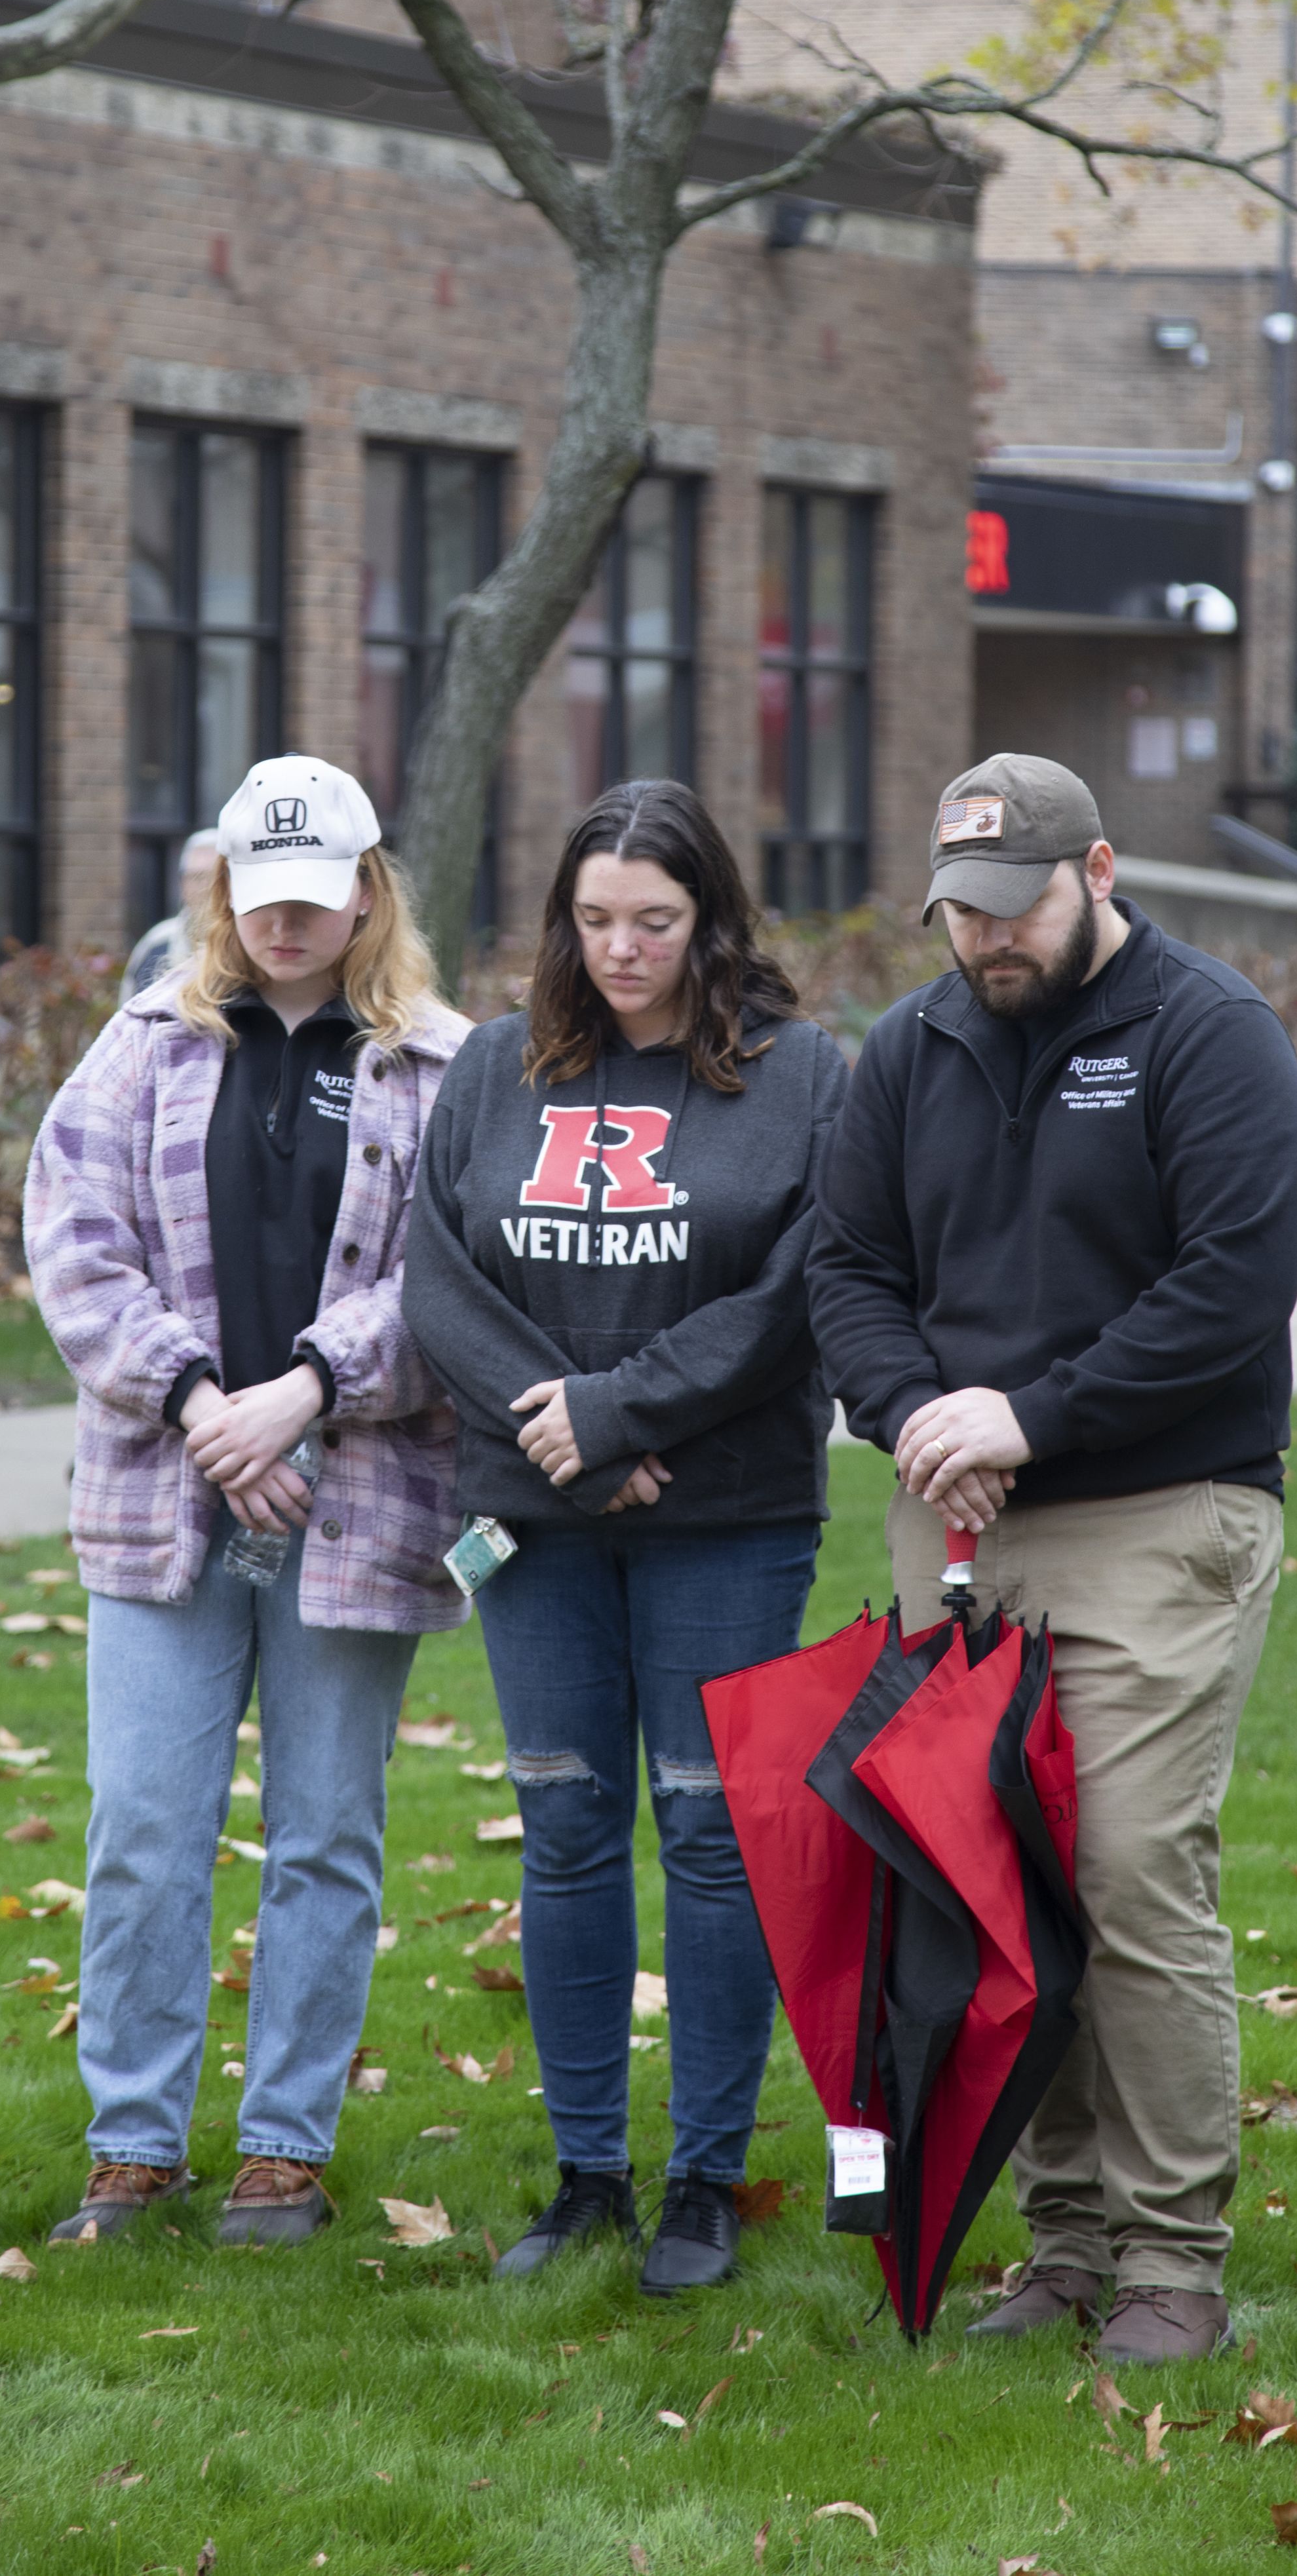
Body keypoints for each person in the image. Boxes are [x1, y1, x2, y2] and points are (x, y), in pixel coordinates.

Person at [807, 752, 1297, 2369]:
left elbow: (1230, 1288)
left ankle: (1176, 2257)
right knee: (997, 1884)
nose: (984, 943)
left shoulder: (1209, 1036)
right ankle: (1066, 2240)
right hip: (956, 1518)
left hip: (1165, 1511)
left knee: (1127, 1870)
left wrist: (1031, 1412)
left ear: (1096, 870)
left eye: (1013, 907)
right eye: (957, 913)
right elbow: (849, 1265)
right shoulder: (914, 1045)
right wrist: (908, 1412)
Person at [402, 779, 848, 2296]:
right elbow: (439, 1284)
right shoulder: (494, 1066)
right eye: (594, 922)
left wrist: (627, 1415)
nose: (622, 951)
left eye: (654, 921)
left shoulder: (796, 1080)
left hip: (727, 1523)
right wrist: (574, 1442)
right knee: (570, 1825)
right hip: (541, 1531)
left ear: (711, 917)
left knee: (712, 1831)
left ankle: (704, 2184)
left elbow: (795, 1296)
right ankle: (587, 2171)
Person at [24, 753, 469, 2250]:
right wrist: (209, 1406)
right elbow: (76, 1245)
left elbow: (460, 1284)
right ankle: (133, 2150)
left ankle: (284, 2148)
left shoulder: (441, 1068)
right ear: (225, 893)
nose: (287, 925)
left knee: (326, 1832)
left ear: (369, 894)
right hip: (171, 1499)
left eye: (317, 899)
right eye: (261, 898)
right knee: (144, 1826)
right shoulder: (145, 1044)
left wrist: (313, 1387)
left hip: (357, 1505)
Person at [120, 826, 221, 1000]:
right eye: (196, 877)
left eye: (213, 878)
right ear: (183, 885)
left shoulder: (250, 943)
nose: (205, 887)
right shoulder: (156, 943)